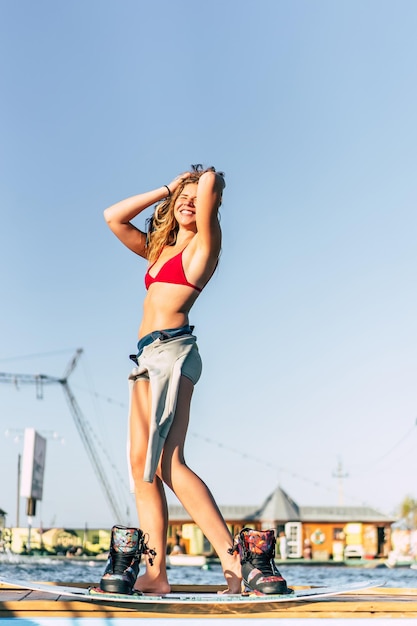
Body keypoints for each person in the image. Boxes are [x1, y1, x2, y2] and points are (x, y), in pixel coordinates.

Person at [99, 165, 290, 597]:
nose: (187, 200)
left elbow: (209, 186)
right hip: (147, 357)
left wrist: (201, 182)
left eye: (194, 197)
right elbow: (113, 216)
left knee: (169, 463)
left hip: (173, 353)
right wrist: (169, 186)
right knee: (141, 468)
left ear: (208, 205)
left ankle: (235, 562)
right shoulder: (158, 250)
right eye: (179, 197)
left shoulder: (205, 244)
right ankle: (155, 574)